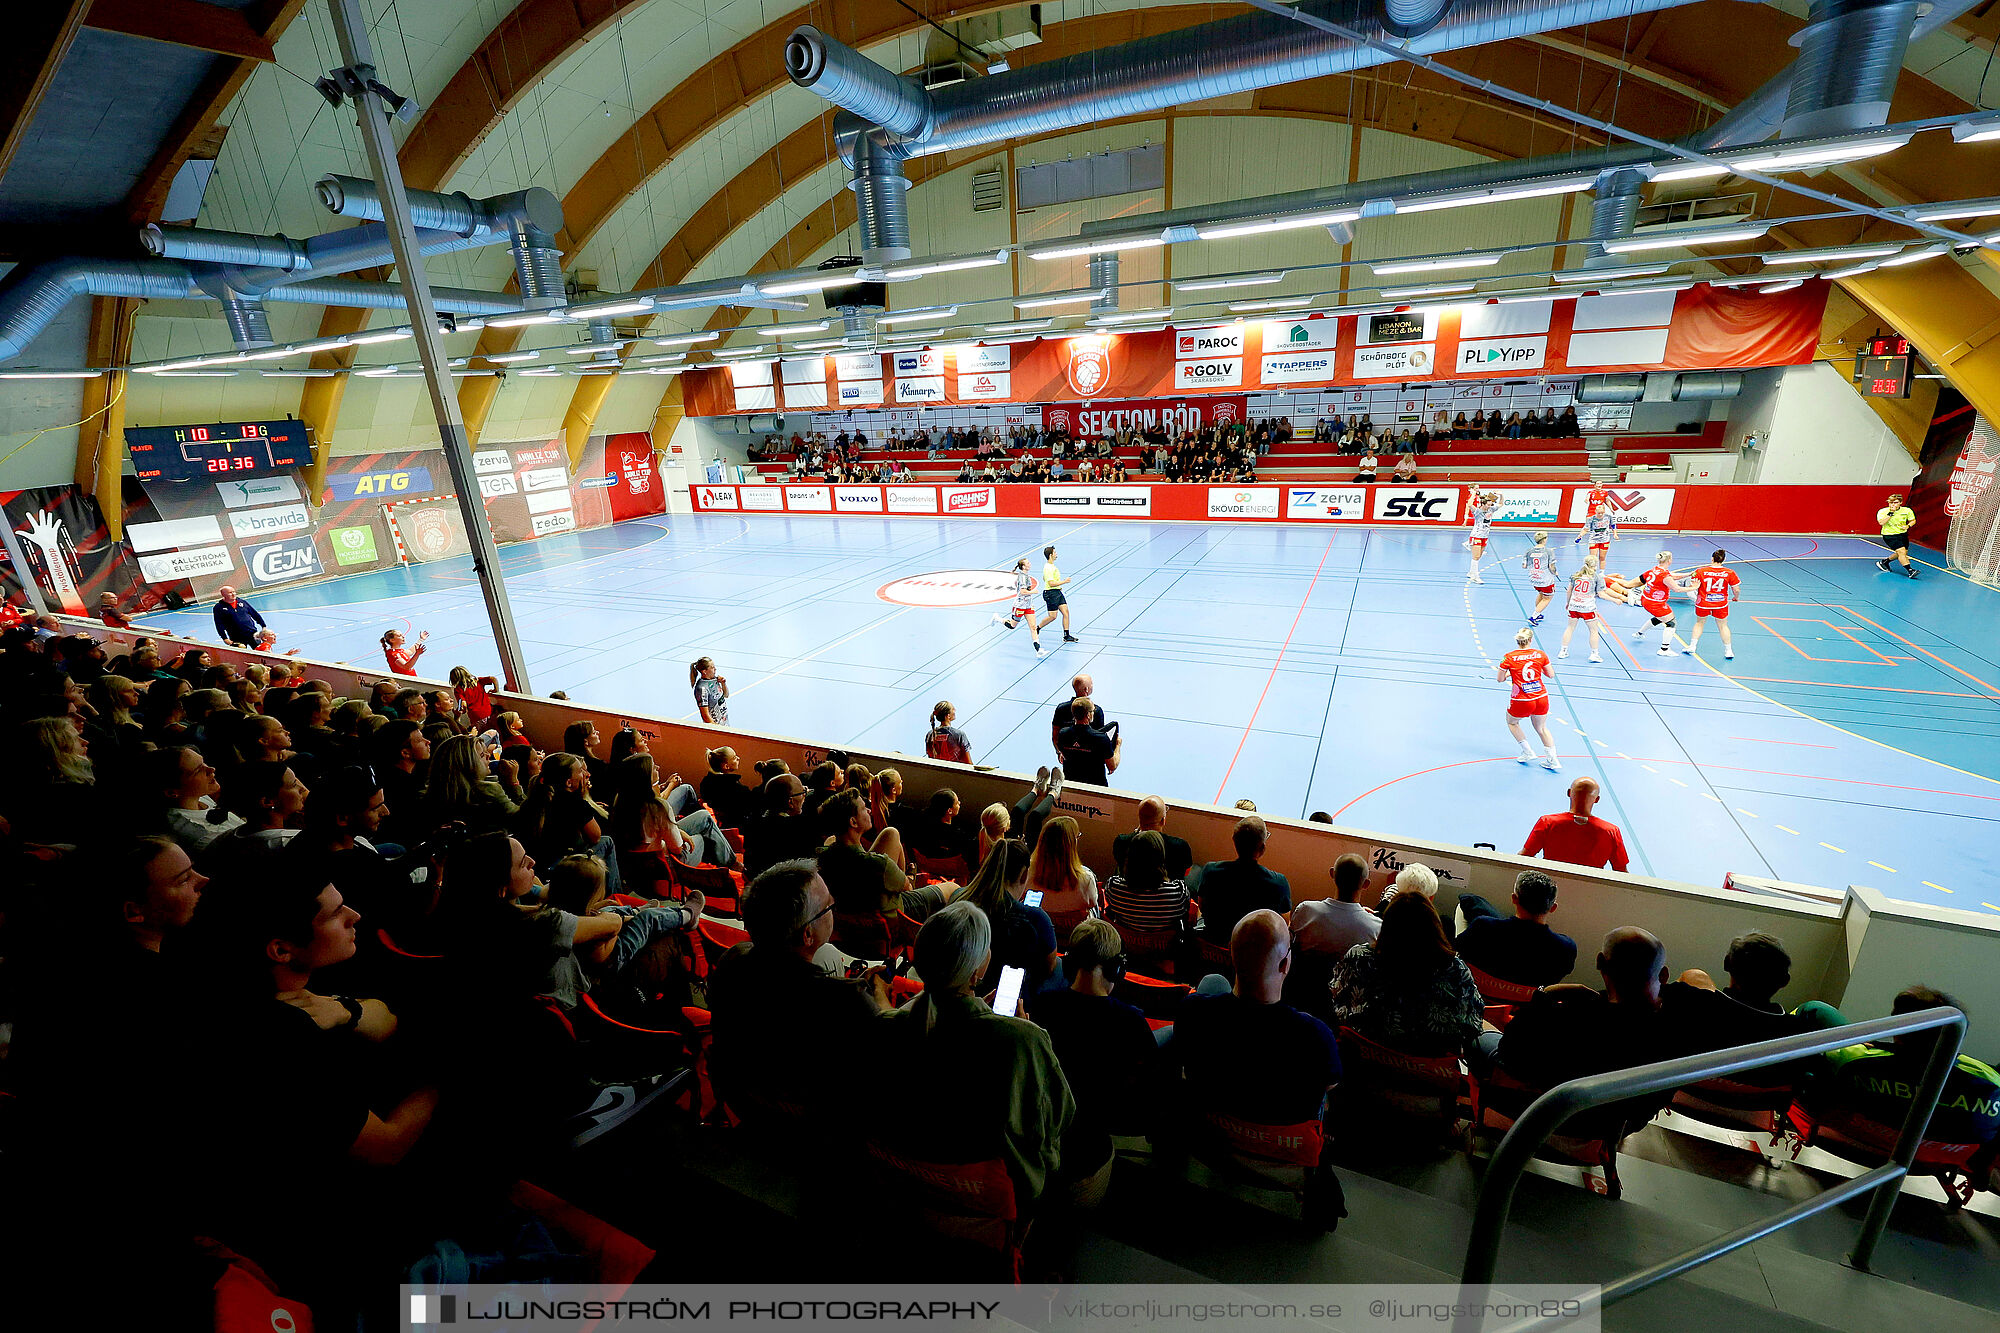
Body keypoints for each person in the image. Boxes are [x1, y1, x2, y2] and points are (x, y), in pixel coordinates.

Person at [867, 902, 1084, 1208]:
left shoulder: (888, 1026)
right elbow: (1058, 1117)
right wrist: (1023, 1035)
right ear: (977, 971)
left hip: (907, 1177)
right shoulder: (1024, 1040)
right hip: (989, 1194)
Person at [707, 860, 888, 1125]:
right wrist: (880, 995)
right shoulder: (849, 1001)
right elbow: (889, 1048)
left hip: (749, 1108)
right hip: (816, 1131)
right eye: (829, 905)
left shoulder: (731, 962)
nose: (833, 904)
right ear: (807, 934)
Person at [1172, 910, 1343, 1136]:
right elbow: (1330, 1083)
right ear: (1285, 964)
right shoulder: (1315, 1034)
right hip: (1279, 1147)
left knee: (1212, 983)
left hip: (1208, 1134)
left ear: (1232, 956)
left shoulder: (1192, 1011)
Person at [1484, 927, 1673, 1122]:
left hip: (1543, 1117)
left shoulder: (1569, 1016)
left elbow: (1509, 1051)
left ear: (1600, 962)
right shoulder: (1672, 1028)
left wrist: (1545, 994)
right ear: (1664, 974)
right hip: (1609, 1125)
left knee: (1483, 1030)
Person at [1799, 985, 2000, 1146]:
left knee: (1816, 1009)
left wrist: (1874, 1048)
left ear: (1900, 1031)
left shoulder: (1851, 1059)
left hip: (1853, 1134)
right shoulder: (1992, 1083)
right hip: (1930, 1155)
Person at [1028, 921, 1157, 1171]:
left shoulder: (1041, 1008)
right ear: (1116, 969)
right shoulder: (1131, 1020)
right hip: (1108, 1119)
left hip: (1055, 1115)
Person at [1329, 892, 1484, 1056]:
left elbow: (1337, 1002)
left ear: (1387, 925)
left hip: (1366, 1064)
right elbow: (1473, 1025)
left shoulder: (1359, 958)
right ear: (1434, 926)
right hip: (1432, 1072)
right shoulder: (1455, 969)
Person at [1285, 853, 1378, 1025]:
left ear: (1332, 874)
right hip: (1342, 1016)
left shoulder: (1305, 910)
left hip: (1301, 1000)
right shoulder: (1376, 928)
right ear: (1366, 884)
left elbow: (1289, 947)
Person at [1454, 870, 1576, 988]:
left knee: (1467, 903)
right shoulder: (1565, 948)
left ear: (1514, 898)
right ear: (1553, 908)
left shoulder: (1483, 927)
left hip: (1477, 997)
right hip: (1523, 1005)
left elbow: (1458, 950)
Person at [1192, 816, 1290, 944]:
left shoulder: (1210, 871)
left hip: (1213, 944)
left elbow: (1202, 906)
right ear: (1262, 849)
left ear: (1234, 841)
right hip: (1252, 953)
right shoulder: (1278, 883)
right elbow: (1284, 922)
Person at [1522, 775, 1629, 873]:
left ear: (1569, 793)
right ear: (1597, 799)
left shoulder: (1547, 822)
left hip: (1550, 887)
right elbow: (1621, 872)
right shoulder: (1611, 831)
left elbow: (1524, 857)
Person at [1103, 829, 1190, 938]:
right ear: (1161, 857)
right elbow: (1185, 914)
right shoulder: (1178, 893)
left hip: (1129, 948)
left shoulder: (1113, 888)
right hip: (1163, 952)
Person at [1497, 626, 1559, 771]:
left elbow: (1500, 679)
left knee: (1512, 722)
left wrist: (1510, 674)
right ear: (1530, 640)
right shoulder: (1540, 654)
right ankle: (1553, 760)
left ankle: (1527, 751)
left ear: (1518, 641)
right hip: (1541, 697)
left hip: (1522, 699)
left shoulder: (1509, 657)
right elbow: (1551, 674)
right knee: (1542, 728)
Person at [1622, 550, 1691, 656]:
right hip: (1655, 603)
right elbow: (1677, 589)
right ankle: (1664, 650)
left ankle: (1639, 633)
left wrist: (1689, 574)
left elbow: (1673, 576)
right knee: (1671, 623)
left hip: (1646, 599)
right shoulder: (1664, 575)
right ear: (1669, 560)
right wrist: (1694, 587)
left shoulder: (1655, 570)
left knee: (1661, 618)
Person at [1112, 796, 1194, 880]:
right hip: (1168, 892)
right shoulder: (1180, 846)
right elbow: (1186, 872)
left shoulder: (1121, 841)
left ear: (1139, 818)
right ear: (1163, 821)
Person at [1684, 549, 1742, 660]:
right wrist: (1736, 597)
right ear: (1723, 560)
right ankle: (1728, 651)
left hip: (1703, 603)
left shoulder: (1700, 571)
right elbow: (1736, 589)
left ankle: (1692, 646)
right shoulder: (1729, 572)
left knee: (1699, 623)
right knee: (1723, 626)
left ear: (1712, 558)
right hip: (1720, 604)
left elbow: (1693, 586)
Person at [1056, 696, 1121, 787]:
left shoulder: (1063, 734)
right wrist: (1118, 745)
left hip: (1071, 783)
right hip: (1096, 787)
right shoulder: (1101, 739)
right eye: (1092, 711)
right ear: (1088, 715)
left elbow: (1063, 752)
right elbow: (1112, 766)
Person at [1555, 557, 1609, 664]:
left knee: (1570, 628)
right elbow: (1602, 594)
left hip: (1574, 606)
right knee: (1593, 630)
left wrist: (1568, 603)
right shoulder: (1596, 577)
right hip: (1587, 608)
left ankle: (1563, 651)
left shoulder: (1575, 575)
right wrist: (1616, 600)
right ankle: (1594, 654)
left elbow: (1569, 591)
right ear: (1595, 565)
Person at [991, 556, 1044, 655]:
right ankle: (997, 618)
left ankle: (1039, 650)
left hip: (1028, 605)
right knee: (1012, 626)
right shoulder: (1023, 577)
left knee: (1033, 627)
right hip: (1019, 606)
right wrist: (1033, 591)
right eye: (1027, 563)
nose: (1030, 564)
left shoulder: (1025, 575)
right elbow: (1023, 591)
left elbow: (1019, 586)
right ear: (1023, 566)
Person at [1052, 673, 1106, 756]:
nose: (1092, 686)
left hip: (1068, 754)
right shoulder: (1096, 711)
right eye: (1091, 684)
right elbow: (1100, 737)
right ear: (1086, 689)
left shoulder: (1061, 708)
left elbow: (1055, 735)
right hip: (1089, 757)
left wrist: (1060, 752)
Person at [1038, 543, 1079, 643]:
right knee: (1053, 616)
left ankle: (1066, 635)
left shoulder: (1052, 566)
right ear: (1051, 555)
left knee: (1066, 612)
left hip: (1057, 592)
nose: (1056, 554)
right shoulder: (1048, 568)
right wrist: (1064, 581)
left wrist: (1059, 587)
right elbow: (1051, 583)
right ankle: (1037, 628)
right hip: (1051, 594)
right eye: (1055, 552)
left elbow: (1046, 579)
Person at [1875, 491, 1920, 578]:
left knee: (1902, 553)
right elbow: (1881, 522)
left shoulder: (1907, 511)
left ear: (1900, 503)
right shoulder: (1883, 511)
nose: (1893, 504)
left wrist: (1908, 526)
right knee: (1901, 551)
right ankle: (1910, 571)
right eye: (1891, 502)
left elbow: (1913, 520)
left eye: (1895, 502)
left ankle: (1885, 562)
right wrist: (1891, 513)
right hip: (1889, 535)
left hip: (1902, 534)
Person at [1465, 491, 1499, 585]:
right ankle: (1476, 577)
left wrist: (1501, 495)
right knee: (1476, 556)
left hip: (1485, 536)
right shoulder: (1477, 511)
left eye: (1490, 504)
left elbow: (1501, 504)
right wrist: (1472, 494)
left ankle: (1471, 572)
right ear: (1483, 504)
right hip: (1476, 535)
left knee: (1478, 556)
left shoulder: (1491, 509)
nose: (1489, 506)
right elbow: (1469, 504)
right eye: (1487, 505)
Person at [924, 699, 972, 764]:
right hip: (954, 772)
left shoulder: (929, 735)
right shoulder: (959, 734)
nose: (955, 710)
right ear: (948, 716)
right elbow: (968, 763)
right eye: (953, 709)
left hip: (936, 772)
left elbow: (930, 757)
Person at [1577, 498, 1617, 569]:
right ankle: (1592, 572)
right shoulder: (1591, 519)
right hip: (1593, 539)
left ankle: (1602, 573)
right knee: (1593, 559)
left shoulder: (1608, 517)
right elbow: (1586, 529)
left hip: (1605, 539)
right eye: (1599, 513)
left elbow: (1613, 525)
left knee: (1602, 557)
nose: (1601, 514)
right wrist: (1580, 535)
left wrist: (1615, 534)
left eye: (1602, 512)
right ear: (1595, 511)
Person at [691, 655, 729, 723]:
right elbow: (705, 716)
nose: (715, 669)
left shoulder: (715, 679)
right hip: (716, 726)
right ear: (704, 671)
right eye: (712, 667)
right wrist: (716, 729)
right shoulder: (702, 688)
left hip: (724, 723)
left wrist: (723, 683)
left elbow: (726, 695)